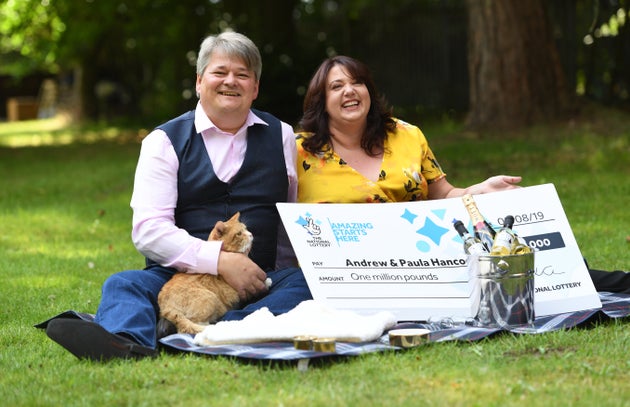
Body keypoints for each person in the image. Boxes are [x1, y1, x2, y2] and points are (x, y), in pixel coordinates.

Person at [45, 32, 312, 361]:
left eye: (243, 74)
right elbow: (149, 229)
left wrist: (278, 273)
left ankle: (198, 329)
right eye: (220, 72)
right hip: (178, 277)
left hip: (258, 279)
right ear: (199, 82)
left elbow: (286, 217)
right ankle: (126, 342)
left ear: (255, 88)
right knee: (124, 284)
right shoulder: (163, 140)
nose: (231, 81)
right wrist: (218, 261)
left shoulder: (282, 135)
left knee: (307, 284)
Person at [296, 55, 630, 294]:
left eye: (357, 83)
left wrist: (479, 190)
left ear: (369, 91)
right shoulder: (297, 151)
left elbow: (442, 194)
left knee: (521, 254)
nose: (350, 91)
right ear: (322, 101)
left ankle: (591, 280)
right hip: (347, 271)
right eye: (337, 86)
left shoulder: (406, 135)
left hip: (421, 258)